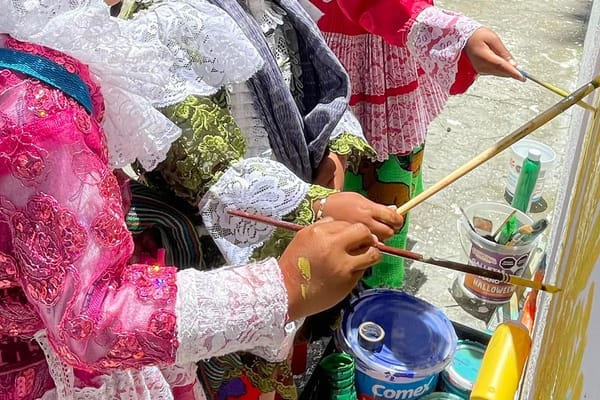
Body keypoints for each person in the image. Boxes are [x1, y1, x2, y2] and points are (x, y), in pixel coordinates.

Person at [0, 1, 400, 399]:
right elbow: (202, 162)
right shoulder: (43, 102)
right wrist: (287, 281)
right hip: (208, 273)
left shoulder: (46, 40)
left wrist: (333, 150)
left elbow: (312, 75)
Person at [301, 0, 525, 289]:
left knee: (392, 174)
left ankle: (378, 287)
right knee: (338, 174)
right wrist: (446, 31)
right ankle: (347, 285)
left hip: (395, 36)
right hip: (348, 33)